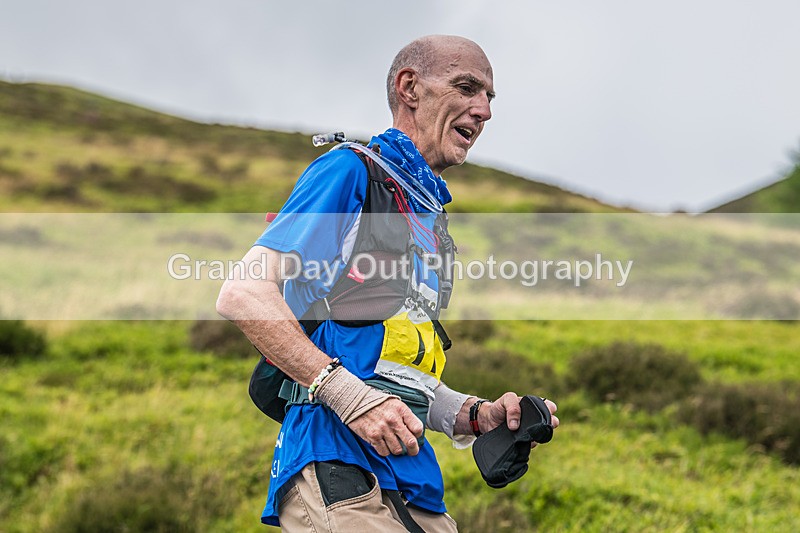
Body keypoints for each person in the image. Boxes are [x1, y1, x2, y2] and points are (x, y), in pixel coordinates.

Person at [217, 35, 559, 532]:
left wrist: (476, 415)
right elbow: (243, 292)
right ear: (410, 88)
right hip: (333, 465)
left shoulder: (428, 219)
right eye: (467, 88)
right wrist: (352, 400)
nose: (483, 110)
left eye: (489, 98)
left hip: (414, 481)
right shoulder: (349, 171)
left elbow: (394, 371)